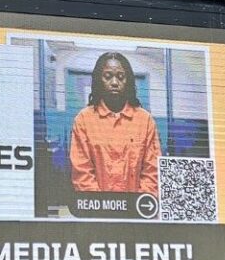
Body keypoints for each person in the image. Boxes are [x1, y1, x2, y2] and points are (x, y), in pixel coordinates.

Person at [69, 52, 161, 196]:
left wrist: (136, 206)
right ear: (99, 80)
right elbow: (82, 173)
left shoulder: (145, 121)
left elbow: (152, 172)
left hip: (136, 213)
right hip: (97, 212)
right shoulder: (83, 120)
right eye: (107, 76)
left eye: (120, 77)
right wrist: (104, 206)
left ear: (128, 81)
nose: (114, 82)